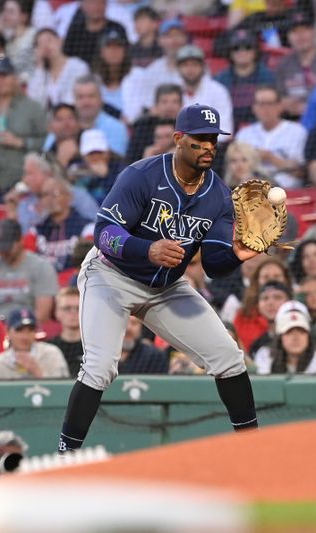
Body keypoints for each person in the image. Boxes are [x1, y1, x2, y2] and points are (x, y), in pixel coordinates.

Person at [58, 104, 262, 453]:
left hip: (166, 287)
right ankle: (66, 455)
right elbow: (103, 233)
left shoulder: (217, 195)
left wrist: (240, 252)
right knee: (100, 366)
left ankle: (253, 450)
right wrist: (146, 249)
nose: (208, 146)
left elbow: (214, 264)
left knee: (228, 356)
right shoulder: (143, 175)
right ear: (178, 138)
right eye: (199, 139)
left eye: (213, 139)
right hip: (111, 275)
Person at [0, 55, 47, 190]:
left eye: (4, 76)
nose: (0, 81)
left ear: (14, 77)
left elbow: (48, 142)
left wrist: (21, 142)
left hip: (22, 179)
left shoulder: (32, 107)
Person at [0, 218, 58, 322]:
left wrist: (19, 331)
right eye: (1, 248)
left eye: (8, 248)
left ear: (20, 241)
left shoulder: (41, 267)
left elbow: (42, 314)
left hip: (28, 328)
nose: (4, 252)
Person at [235, 86, 307, 189]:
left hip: (288, 192)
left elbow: (302, 173)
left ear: (280, 106)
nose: (265, 109)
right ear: (254, 108)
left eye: (270, 104)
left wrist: (272, 158)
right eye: (261, 104)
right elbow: (234, 171)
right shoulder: (243, 134)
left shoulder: (297, 131)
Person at [120, 17, 188, 124]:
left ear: (185, 39)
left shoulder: (198, 68)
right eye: (168, 35)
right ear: (160, 40)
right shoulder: (153, 69)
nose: (173, 40)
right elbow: (148, 105)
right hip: (159, 123)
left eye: (178, 35)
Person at [22, 177, 93, 272]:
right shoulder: (36, 230)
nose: (50, 200)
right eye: (45, 195)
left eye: (55, 194)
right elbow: (25, 260)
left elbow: (89, 263)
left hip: (74, 283)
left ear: (69, 197)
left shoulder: (87, 228)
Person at [215, 28, 276, 130]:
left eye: (247, 47)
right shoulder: (220, 79)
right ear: (230, 52)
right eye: (236, 48)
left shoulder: (267, 76)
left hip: (261, 129)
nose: (242, 52)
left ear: (255, 51)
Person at [276, 9, 316, 119]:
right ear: (288, 36)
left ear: (314, 31)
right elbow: (279, 98)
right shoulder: (283, 65)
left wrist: (309, 108)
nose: (300, 36)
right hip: (292, 121)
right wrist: (286, 104)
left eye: (305, 30)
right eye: (295, 31)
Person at [258, 301, 316, 375]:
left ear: (308, 336)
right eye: (289, 332)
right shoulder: (266, 357)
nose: (295, 337)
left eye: (301, 331)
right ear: (280, 337)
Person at [175, 45, 235, 138]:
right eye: (185, 65)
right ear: (178, 68)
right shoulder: (172, 90)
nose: (190, 69)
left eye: (195, 64)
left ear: (203, 67)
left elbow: (225, 130)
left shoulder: (218, 91)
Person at [27, 27, 89, 108]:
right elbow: (34, 101)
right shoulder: (39, 74)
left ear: (60, 41)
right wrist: (40, 65)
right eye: (40, 44)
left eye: (49, 40)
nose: (46, 46)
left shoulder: (78, 66)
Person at [71, 74, 128, 157]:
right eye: (80, 97)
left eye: (91, 96)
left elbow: (116, 163)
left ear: (101, 98)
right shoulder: (64, 127)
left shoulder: (116, 128)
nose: (86, 102)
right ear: (74, 100)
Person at [126, 84, 183, 165]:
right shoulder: (142, 127)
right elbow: (128, 162)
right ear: (156, 105)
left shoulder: (189, 128)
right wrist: (145, 160)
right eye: (164, 101)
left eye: (175, 102)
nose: (170, 106)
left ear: (181, 105)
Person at [62, 0, 127, 66]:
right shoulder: (75, 30)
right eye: (92, 3)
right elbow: (66, 56)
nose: (96, 7)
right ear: (82, 6)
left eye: (100, 3)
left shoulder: (116, 28)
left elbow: (125, 56)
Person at [48, 286, 84, 377]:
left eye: (78, 308)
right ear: (56, 312)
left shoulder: (95, 347)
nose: (73, 313)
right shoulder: (49, 348)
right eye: (67, 308)